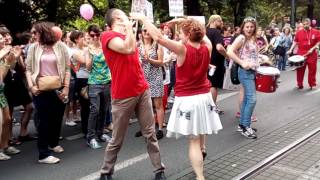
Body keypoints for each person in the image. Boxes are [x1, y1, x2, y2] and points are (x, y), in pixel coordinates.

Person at [132, 14, 223, 180]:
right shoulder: (206, 47)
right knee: (202, 127)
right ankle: (203, 148)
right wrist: (186, 21)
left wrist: (143, 19)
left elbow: (158, 37)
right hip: (204, 96)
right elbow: (201, 36)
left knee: (193, 140)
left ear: (187, 35)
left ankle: (200, 177)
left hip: (188, 99)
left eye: (181, 33)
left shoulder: (182, 49)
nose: (179, 35)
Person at [99, 9, 165, 180]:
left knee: (150, 133)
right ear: (116, 19)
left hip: (142, 89)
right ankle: (106, 172)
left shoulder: (128, 36)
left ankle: (159, 170)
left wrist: (139, 23)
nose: (128, 17)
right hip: (123, 95)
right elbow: (127, 49)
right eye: (123, 15)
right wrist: (130, 28)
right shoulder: (107, 36)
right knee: (117, 138)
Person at [26, 21, 70, 164]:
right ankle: (43, 154)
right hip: (40, 89)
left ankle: (54, 143)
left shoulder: (61, 46)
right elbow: (28, 69)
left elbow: (68, 69)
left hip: (58, 88)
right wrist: (31, 86)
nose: (32, 35)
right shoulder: (33, 48)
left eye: (35, 32)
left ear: (43, 32)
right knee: (43, 121)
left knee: (57, 118)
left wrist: (66, 87)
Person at [227, 17, 259, 139]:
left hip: (251, 71)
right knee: (252, 99)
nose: (249, 29)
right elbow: (230, 51)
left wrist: (261, 59)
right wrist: (241, 63)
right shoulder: (241, 38)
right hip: (245, 72)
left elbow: (251, 55)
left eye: (251, 27)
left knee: (247, 99)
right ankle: (246, 126)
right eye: (247, 27)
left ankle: (242, 124)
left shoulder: (252, 38)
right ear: (243, 27)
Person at [85, 25, 112, 149]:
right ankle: (90, 137)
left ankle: (100, 134)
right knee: (94, 110)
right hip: (94, 83)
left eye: (97, 34)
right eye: (92, 35)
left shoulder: (105, 47)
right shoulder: (88, 49)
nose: (95, 37)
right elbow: (88, 68)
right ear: (89, 36)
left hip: (107, 82)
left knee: (104, 110)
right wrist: (90, 55)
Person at [139, 26, 165, 139]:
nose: (146, 32)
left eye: (148, 30)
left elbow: (160, 62)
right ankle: (145, 128)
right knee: (144, 106)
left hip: (155, 77)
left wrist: (149, 60)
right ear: (141, 32)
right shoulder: (137, 46)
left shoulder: (157, 45)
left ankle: (159, 129)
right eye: (144, 30)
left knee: (158, 104)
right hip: (142, 78)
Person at [0, 33, 21, 160]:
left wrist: (14, 58)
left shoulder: (3, 55)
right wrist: (4, 56)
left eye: (2, 38)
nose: (2, 40)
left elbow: (9, 70)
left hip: (1, 91)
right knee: (1, 121)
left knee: (7, 119)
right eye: (0, 39)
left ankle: (4, 146)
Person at [288, 18, 320, 90]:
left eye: (307, 24)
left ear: (310, 23)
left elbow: (318, 41)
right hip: (301, 53)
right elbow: (295, 42)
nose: (305, 25)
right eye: (304, 24)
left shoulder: (316, 32)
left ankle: (312, 84)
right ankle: (299, 84)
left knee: (312, 69)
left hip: (312, 53)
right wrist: (290, 49)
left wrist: (313, 48)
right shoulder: (299, 32)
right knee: (300, 69)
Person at [206, 15, 228, 114]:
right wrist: (227, 55)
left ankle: (207, 107)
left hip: (205, 61)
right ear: (215, 21)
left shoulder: (204, 32)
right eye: (220, 21)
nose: (222, 23)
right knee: (213, 85)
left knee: (206, 84)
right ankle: (212, 108)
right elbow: (219, 47)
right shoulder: (216, 32)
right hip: (215, 62)